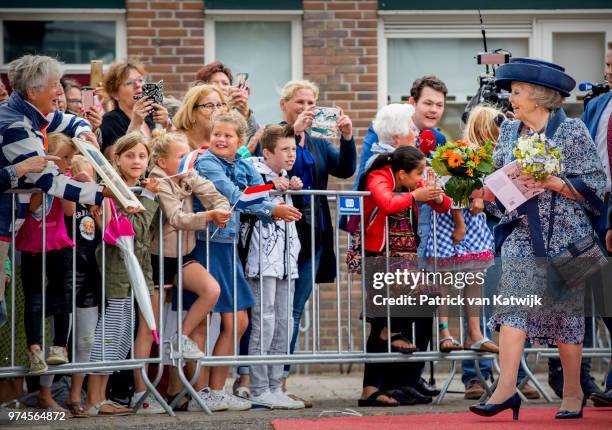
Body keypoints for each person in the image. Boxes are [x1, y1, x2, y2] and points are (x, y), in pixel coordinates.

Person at [469, 57, 606, 420]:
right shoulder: (511, 133)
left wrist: (553, 182)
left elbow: (596, 184)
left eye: (516, 92)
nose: (510, 98)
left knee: (566, 319)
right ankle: (505, 389)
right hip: (521, 237)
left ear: (539, 96)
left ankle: (573, 392)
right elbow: (497, 180)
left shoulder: (572, 132)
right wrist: (486, 194)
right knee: (513, 307)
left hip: (566, 237)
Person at [187, 111, 300, 412]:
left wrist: (272, 191)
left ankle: (216, 389)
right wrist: (272, 208)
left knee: (238, 321)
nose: (220, 140)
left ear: (239, 142)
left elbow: (254, 191)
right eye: (216, 134)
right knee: (207, 321)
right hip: (207, 243)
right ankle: (200, 391)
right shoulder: (207, 162)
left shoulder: (240, 162)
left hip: (229, 245)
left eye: (228, 136)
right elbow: (235, 196)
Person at [278, 80, 356, 392]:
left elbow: (344, 169)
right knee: (275, 308)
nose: (306, 108)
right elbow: (282, 165)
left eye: (311, 102)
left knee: (296, 308)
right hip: (282, 229)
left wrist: (348, 138)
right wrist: (294, 134)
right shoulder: (276, 134)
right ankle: (259, 378)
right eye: (300, 102)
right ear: (285, 105)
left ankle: (280, 380)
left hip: (315, 232)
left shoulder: (319, 140)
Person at [357, 146, 450, 407]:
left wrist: (437, 197)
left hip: (406, 255)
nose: (422, 177)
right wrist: (416, 196)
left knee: (422, 304)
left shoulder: (412, 182)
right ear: (401, 173)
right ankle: (373, 389)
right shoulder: (379, 176)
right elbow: (386, 203)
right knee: (382, 322)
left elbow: (444, 205)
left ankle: (401, 383)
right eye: (418, 172)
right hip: (381, 256)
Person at [148, 131, 231, 412]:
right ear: (162, 160)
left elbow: (213, 193)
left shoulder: (187, 174)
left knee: (211, 290)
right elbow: (176, 218)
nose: (188, 162)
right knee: (148, 329)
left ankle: (180, 338)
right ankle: (144, 392)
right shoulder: (159, 180)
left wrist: (220, 207)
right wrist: (208, 216)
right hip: (157, 259)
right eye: (182, 157)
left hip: (183, 255)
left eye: (190, 156)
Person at [85, 133, 160, 416]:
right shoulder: (112, 190)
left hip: (136, 270)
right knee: (111, 331)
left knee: (123, 335)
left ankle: (101, 397)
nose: (137, 161)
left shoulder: (135, 189)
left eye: (142, 156)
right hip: (118, 269)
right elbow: (135, 230)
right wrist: (151, 196)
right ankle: (94, 398)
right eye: (130, 156)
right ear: (116, 159)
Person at [241, 124, 304, 409]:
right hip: (262, 260)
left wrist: (290, 186)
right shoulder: (252, 171)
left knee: (283, 321)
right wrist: (269, 187)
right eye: (285, 150)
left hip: (286, 260)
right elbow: (244, 199)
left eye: (293, 149)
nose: (291, 155)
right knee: (263, 322)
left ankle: (275, 385)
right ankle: (257, 387)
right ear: (267, 152)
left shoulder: (284, 177)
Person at [14, 133, 77, 411]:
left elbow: (69, 210)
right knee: (35, 298)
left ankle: (59, 347)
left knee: (63, 296)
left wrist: (68, 183)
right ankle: (35, 349)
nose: (64, 162)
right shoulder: (31, 179)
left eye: (68, 158)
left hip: (59, 244)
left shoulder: (66, 178)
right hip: (32, 245)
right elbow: (33, 208)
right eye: (61, 157)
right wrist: (45, 182)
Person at [580, 44, 612, 405]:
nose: (608, 72)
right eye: (606, 64)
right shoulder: (597, 105)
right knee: (601, 303)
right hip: (595, 211)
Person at [64, 155, 104, 418]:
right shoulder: (65, 195)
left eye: (88, 173)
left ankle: (75, 394)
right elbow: (68, 210)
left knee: (85, 341)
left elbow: (107, 232)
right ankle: (48, 390)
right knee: (59, 338)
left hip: (90, 274)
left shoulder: (96, 202)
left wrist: (94, 203)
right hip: (64, 272)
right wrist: (78, 183)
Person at [99, 60, 170, 156]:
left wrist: (167, 124)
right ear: (114, 94)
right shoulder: (111, 120)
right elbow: (115, 157)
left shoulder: (151, 115)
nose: (138, 85)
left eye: (140, 80)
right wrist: (135, 124)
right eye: (129, 83)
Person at [195, 61, 259, 145]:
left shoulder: (236, 113)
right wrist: (225, 107)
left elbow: (255, 141)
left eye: (225, 83)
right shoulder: (198, 109)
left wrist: (246, 114)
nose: (221, 87)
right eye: (214, 84)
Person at [173, 84, 226, 150]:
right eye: (209, 105)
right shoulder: (177, 142)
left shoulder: (225, 140)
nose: (217, 111)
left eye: (219, 105)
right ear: (191, 113)